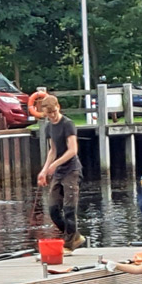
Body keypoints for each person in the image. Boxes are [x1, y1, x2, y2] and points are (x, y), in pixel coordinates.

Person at [34, 95, 84, 250]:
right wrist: (44, 170)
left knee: (69, 208)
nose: (53, 116)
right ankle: (74, 236)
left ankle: (69, 244)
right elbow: (53, 150)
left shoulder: (67, 124)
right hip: (59, 172)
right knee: (53, 209)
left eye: (54, 112)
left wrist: (55, 164)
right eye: (49, 114)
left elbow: (73, 150)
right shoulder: (49, 127)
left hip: (72, 170)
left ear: (58, 107)